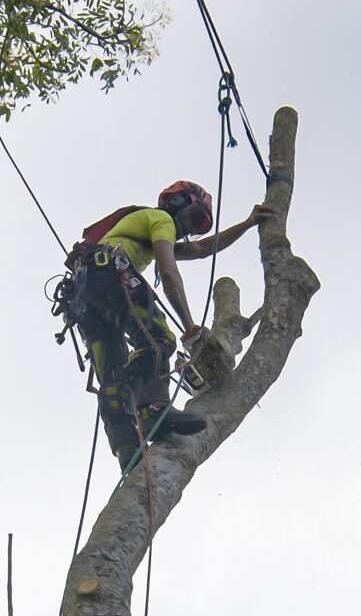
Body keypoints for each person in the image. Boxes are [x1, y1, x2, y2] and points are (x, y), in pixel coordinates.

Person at [55, 180, 276, 468]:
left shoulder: (144, 229)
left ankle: (127, 448)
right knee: (159, 338)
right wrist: (190, 327)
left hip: (82, 298)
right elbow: (169, 273)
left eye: (198, 226)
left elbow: (201, 248)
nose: (189, 230)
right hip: (110, 271)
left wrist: (247, 223)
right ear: (178, 204)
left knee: (112, 373)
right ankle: (154, 410)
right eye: (194, 219)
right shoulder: (160, 219)